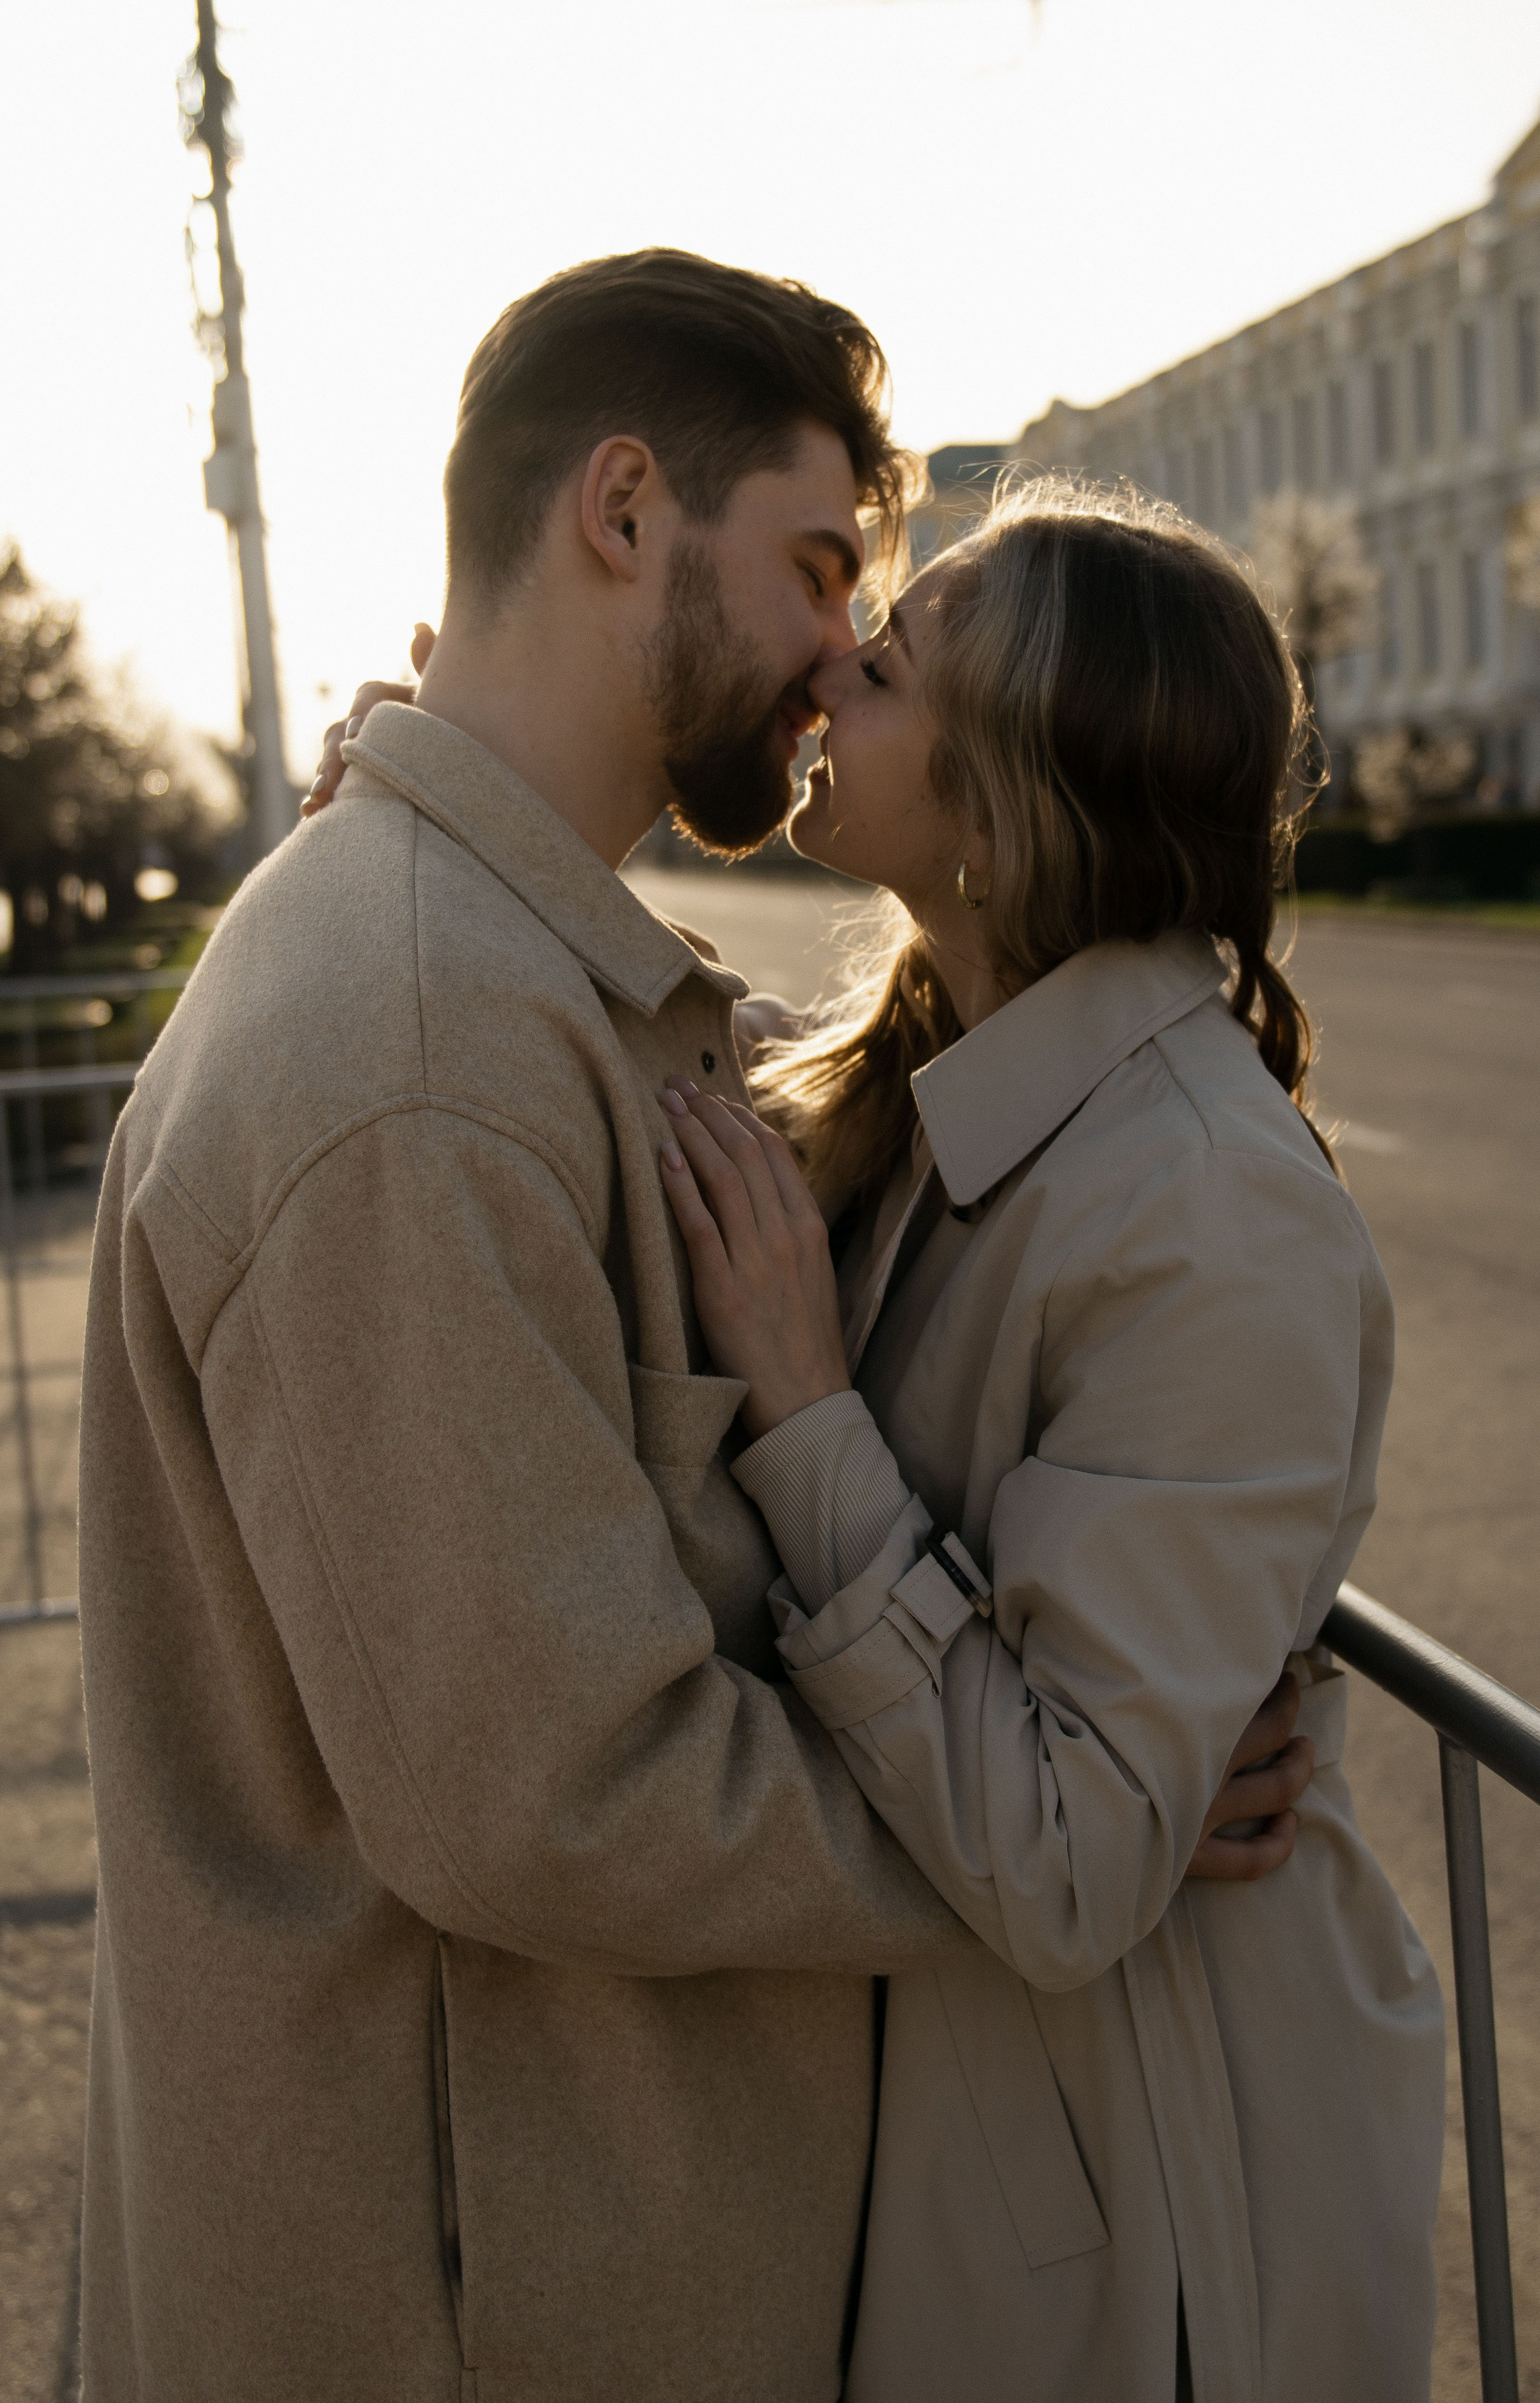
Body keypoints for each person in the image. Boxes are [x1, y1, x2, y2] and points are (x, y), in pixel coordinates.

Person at [78, 249, 1310, 2403]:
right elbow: (557, 1792)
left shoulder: (500, 970)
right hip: (483, 2306)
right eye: (825, 564)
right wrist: (1058, 1834)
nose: (844, 648)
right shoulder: (419, 1045)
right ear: (626, 512)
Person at [648, 482, 1447, 2402]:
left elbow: (1075, 1858)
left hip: (1164, 2220)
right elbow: (667, 1045)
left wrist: (809, 1412)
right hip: (1031, 2143)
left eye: (896, 662)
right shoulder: (951, 1083)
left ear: (1003, 821)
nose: (838, 657)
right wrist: (436, 801)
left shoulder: (1205, 1211)